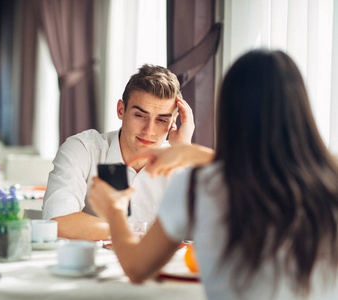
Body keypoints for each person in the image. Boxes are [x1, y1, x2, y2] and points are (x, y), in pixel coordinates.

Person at [89, 50, 338, 299]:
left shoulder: (199, 185)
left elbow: (136, 267)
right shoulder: (331, 175)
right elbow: (262, 167)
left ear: (229, 111)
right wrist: (190, 151)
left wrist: (114, 211)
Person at [43, 64, 195, 240]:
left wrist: (186, 151)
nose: (149, 130)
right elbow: (58, 222)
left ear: (173, 122)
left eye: (161, 120)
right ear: (121, 110)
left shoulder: (180, 162)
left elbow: (214, 228)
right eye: (140, 116)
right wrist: (137, 233)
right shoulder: (82, 149)